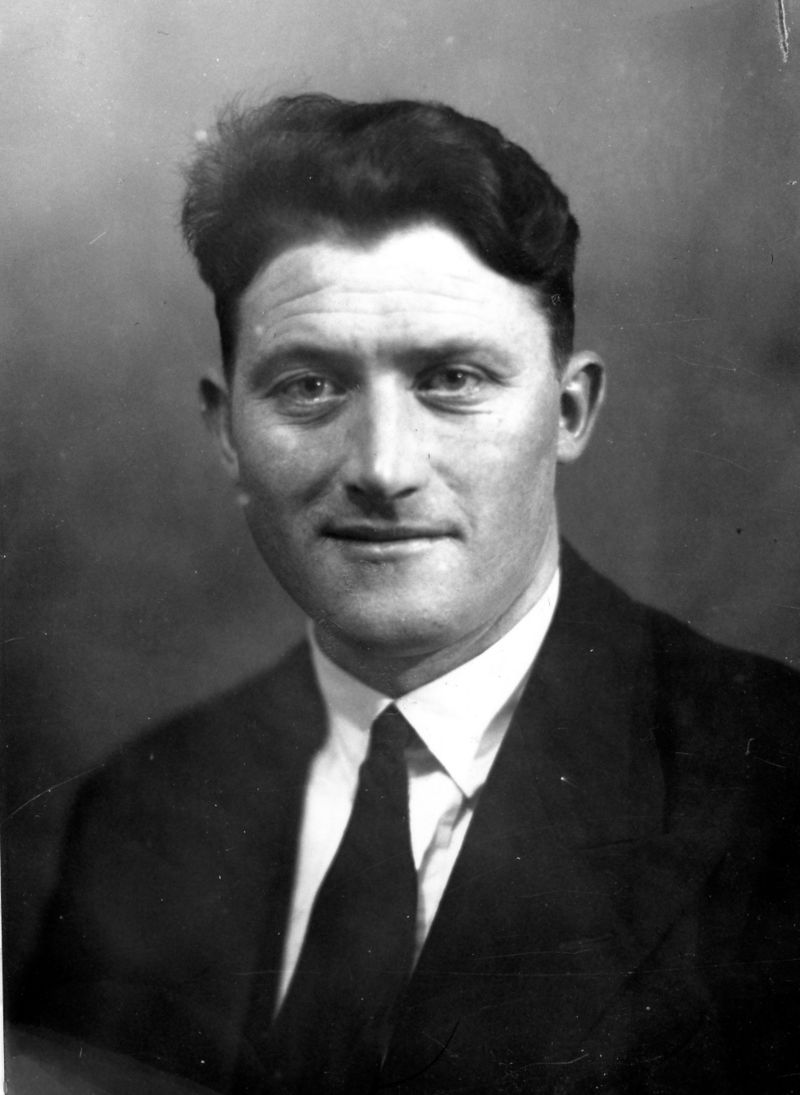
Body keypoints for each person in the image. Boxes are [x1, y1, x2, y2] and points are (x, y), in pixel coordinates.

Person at [14, 94, 800, 1094]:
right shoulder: (140, 811)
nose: (382, 468)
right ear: (226, 432)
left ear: (569, 410)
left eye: (452, 379)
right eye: (308, 386)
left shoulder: (772, 786)